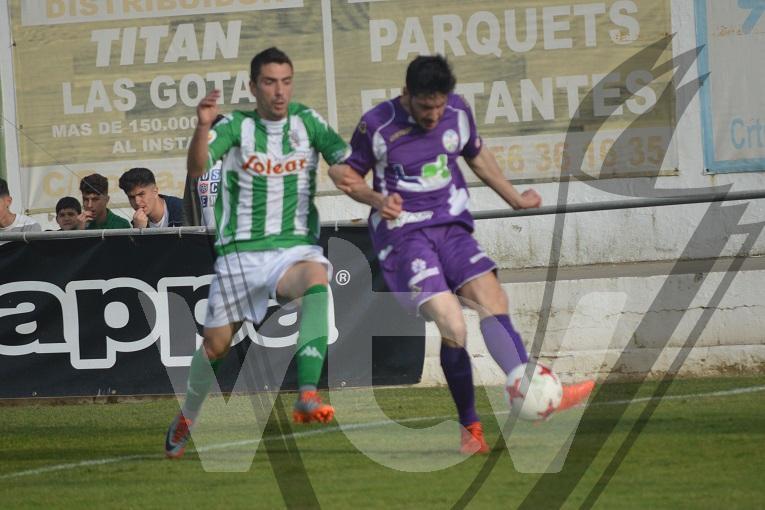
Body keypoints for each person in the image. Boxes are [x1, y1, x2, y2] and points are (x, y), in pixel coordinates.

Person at [329, 55, 594, 455]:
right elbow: (343, 173)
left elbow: (477, 154)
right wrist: (377, 199)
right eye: (425, 107)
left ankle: (534, 391)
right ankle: (470, 427)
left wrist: (514, 197)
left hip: (452, 228)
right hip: (404, 238)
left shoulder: (458, 111)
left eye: (439, 105)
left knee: (493, 299)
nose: (433, 115)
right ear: (406, 94)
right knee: (453, 324)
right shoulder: (378, 123)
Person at [165, 47, 351, 459]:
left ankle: (307, 393)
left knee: (316, 280)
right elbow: (197, 169)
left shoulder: (305, 123)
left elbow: (345, 163)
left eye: (286, 81)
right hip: (240, 258)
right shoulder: (235, 128)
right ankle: (187, 416)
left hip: (288, 251)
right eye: (270, 82)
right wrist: (202, 126)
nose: (279, 91)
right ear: (253, 87)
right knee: (216, 347)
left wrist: (370, 188)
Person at [118, 167, 185, 228]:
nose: (137, 202)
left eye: (141, 194)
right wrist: (138, 231)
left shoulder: (184, 210)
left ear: (155, 191)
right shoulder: (137, 222)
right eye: (131, 197)